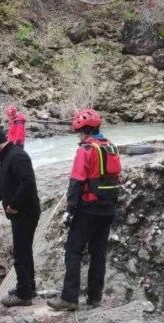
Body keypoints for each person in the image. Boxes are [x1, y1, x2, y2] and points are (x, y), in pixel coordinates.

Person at [48, 109, 121, 311]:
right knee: (98, 253)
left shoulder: (85, 150)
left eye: (78, 131)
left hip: (88, 209)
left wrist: (69, 210)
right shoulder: (111, 147)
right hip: (108, 208)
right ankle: (94, 297)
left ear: (86, 130)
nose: (78, 135)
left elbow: (77, 181)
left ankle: (69, 298)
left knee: (73, 251)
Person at [0, 125, 41, 308]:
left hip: (25, 212)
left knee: (20, 253)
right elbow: (3, 187)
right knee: (24, 250)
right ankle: (28, 287)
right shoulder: (6, 157)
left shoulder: (17, 156)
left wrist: (13, 204)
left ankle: (23, 295)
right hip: (19, 213)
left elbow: (28, 183)